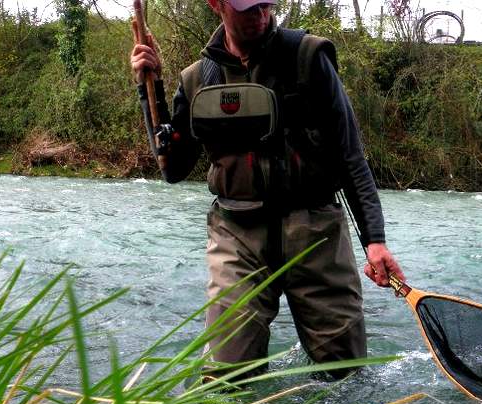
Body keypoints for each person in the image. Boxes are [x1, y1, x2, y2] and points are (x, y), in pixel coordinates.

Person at [130, 0, 404, 378]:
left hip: (315, 230)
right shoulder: (197, 79)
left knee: (345, 374)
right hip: (235, 234)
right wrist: (151, 91)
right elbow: (172, 169)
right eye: (246, 8)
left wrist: (375, 240)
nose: (259, 15)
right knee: (226, 380)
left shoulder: (308, 57)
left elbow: (350, 155)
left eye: (264, 5)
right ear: (216, 5)